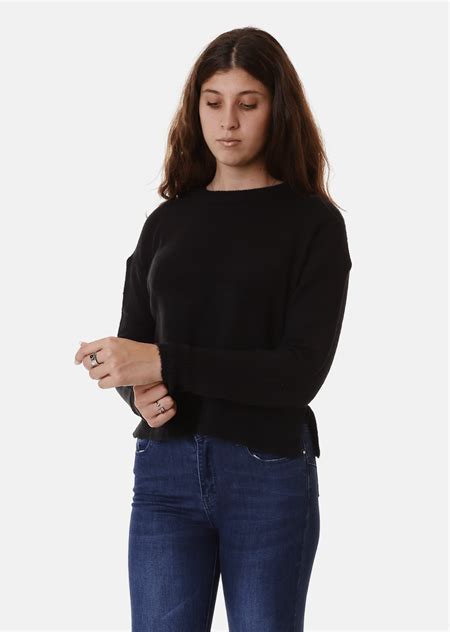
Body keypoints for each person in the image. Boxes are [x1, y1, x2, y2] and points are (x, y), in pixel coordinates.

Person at [74, 26, 352, 632]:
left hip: (267, 473)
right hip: (164, 473)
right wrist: (137, 392)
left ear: (278, 110)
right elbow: (138, 346)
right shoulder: (165, 223)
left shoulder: (314, 225)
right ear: (194, 107)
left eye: (248, 104)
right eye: (213, 102)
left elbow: (299, 373)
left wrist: (163, 363)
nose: (228, 121)